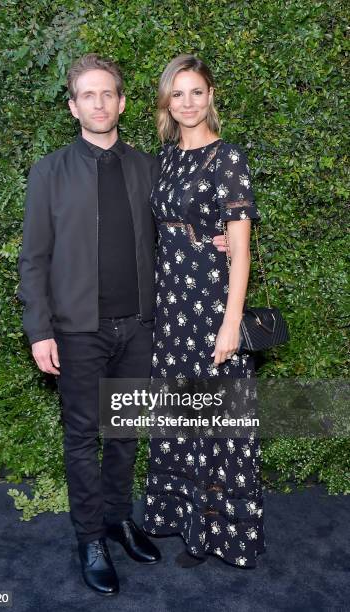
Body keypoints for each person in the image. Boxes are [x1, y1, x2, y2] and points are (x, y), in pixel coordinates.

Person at [17, 53, 163, 596]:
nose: (99, 103)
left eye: (109, 94)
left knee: (126, 433)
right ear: (74, 106)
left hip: (139, 326)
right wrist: (39, 330)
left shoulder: (149, 166)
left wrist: (214, 241)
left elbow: (174, 233)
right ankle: (89, 537)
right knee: (82, 438)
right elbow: (32, 259)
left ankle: (118, 520)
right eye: (88, 95)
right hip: (77, 330)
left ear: (121, 102)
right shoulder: (50, 172)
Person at [142, 54, 266, 569]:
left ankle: (221, 533)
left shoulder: (227, 158)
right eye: (178, 93)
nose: (188, 102)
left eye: (197, 92)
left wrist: (231, 321)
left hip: (211, 306)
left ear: (211, 96)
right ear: (167, 101)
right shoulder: (166, 158)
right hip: (172, 306)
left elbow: (240, 249)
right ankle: (187, 518)